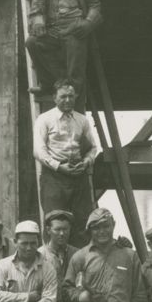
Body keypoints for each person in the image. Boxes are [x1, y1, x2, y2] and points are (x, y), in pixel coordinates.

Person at [26, 0, 102, 102]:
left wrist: (88, 23)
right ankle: (50, 83)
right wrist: (38, 21)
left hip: (75, 26)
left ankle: (73, 95)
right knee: (32, 43)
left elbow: (95, 4)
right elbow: (37, 5)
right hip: (53, 28)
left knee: (75, 67)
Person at [64, 207, 149, 302]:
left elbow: (139, 293)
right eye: (96, 228)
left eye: (106, 226)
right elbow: (66, 289)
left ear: (113, 225)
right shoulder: (81, 256)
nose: (102, 231)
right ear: (90, 230)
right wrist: (82, 296)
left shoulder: (129, 255)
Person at [33, 79, 99, 242]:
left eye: (71, 96)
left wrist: (86, 162)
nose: (68, 100)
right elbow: (39, 151)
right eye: (63, 97)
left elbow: (93, 148)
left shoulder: (82, 120)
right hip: (55, 177)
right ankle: (52, 265)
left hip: (78, 175)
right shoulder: (45, 119)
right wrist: (59, 167)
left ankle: (79, 264)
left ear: (75, 96)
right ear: (54, 98)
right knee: (55, 222)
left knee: (83, 223)